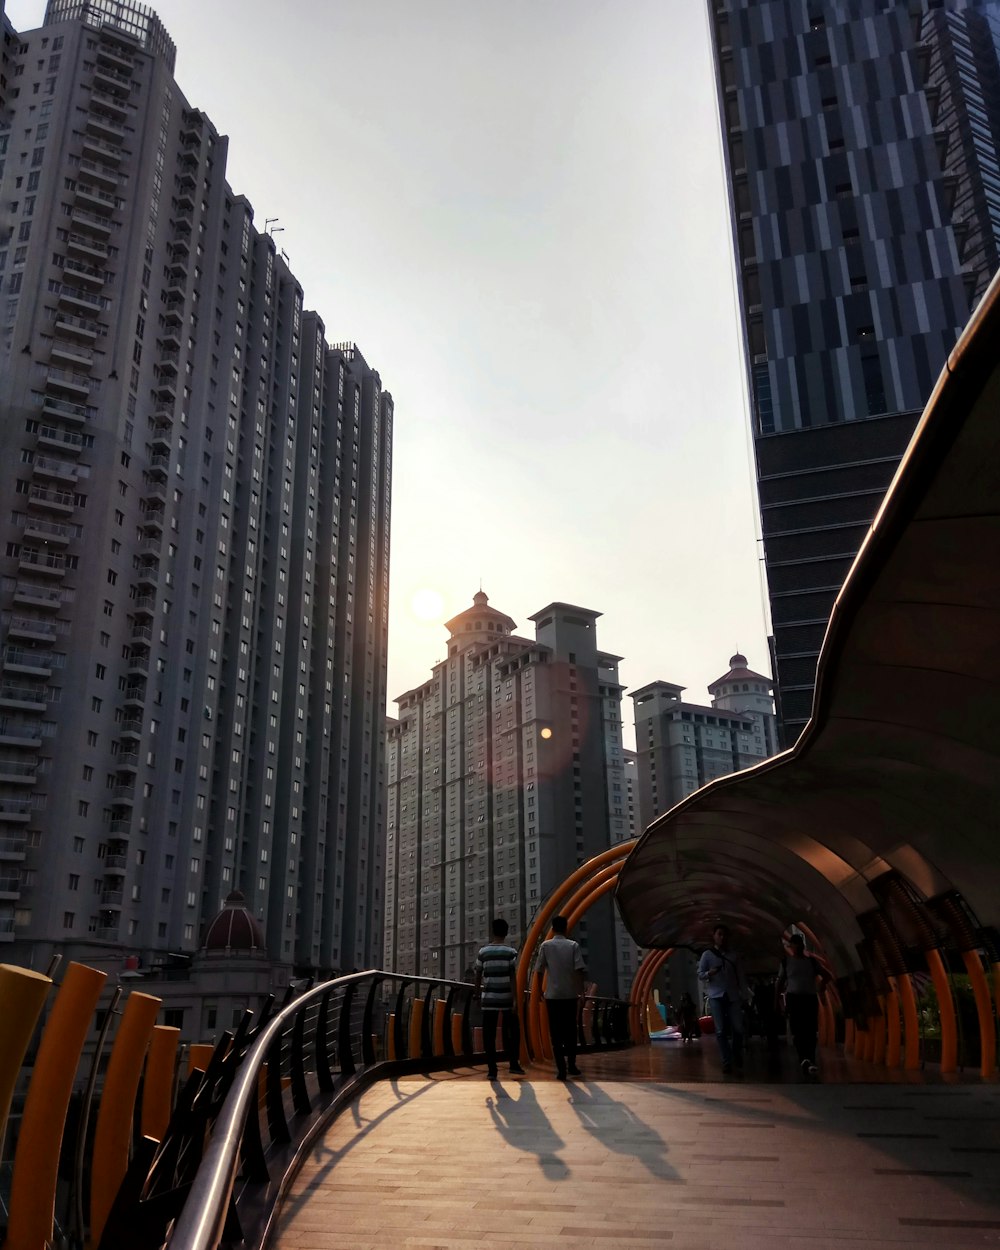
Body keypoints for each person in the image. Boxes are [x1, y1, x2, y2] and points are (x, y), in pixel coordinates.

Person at [535, 914, 586, 1080]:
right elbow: (579, 970)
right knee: (571, 1032)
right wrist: (582, 992)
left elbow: (539, 970)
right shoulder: (573, 945)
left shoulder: (545, 946)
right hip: (570, 995)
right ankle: (572, 1065)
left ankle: (561, 1069)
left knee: (556, 1034)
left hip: (552, 996)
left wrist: (538, 991)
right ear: (565, 928)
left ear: (552, 928)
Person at [474, 918, 525, 1079]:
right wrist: (516, 999)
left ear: (492, 931)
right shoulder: (511, 953)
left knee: (489, 1035)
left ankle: (492, 1069)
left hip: (489, 999)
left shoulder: (483, 952)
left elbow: (477, 975)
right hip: (507, 999)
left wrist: (477, 994)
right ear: (506, 932)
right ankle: (514, 1064)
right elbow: (513, 978)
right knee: (513, 1032)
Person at [697, 923, 748, 1074]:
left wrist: (744, 996)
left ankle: (736, 1053)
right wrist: (709, 974)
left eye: (724, 935)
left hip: (732, 996)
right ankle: (727, 1061)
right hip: (715, 995)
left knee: (738, 1029)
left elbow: (741, 977)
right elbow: (700, 974)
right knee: (720, 1030)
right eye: (719, 934)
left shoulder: (734, 956)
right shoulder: (707, 954)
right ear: (714, 936)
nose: (722, 937)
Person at [776, 933, 830, 1076]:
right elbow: (780, 983)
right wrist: (777, 1002)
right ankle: (804, 1057)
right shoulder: (786, 962)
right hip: (794, 999)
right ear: (791, 946)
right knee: (798, 1029)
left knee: (811, 1029)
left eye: (800, 944)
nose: (798, 947)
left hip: (809, 998)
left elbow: (826, 975)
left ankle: (809, 1057)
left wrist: (822, 986)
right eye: (795, 944)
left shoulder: (811, 962)